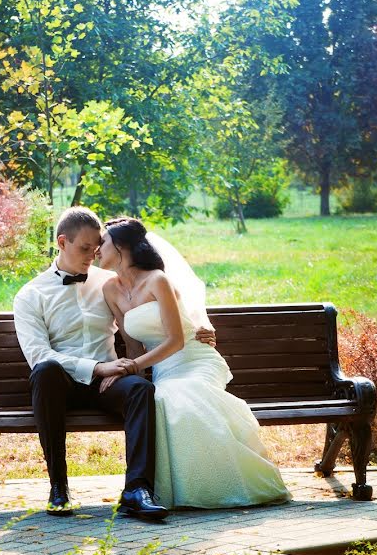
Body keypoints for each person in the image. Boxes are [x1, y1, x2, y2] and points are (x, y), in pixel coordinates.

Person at [13, 207, 214, 520]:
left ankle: (136, 490)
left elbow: (160, 298)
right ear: (61, 242)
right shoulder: (31, 294)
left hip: (108, 383)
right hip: (62, 385)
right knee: (46, 370)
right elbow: (39, 354)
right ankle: (59, 487)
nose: (92, 256)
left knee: (140, 389)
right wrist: (96, 368)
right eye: (83, 248)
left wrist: (199, 323)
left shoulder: (110, 282)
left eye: (96, 248)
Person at [99, 217, 291, 509]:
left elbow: (176, 340)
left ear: (121, 245)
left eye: (102, 242)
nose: (97, 248)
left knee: (177, 397)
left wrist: (134, 367)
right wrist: (130, 374)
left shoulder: (157, 280)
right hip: (164, 370)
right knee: (158, 397)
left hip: (193, 359)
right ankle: (173, 490)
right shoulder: (110, 290)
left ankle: (219, 485)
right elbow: (133, 344)